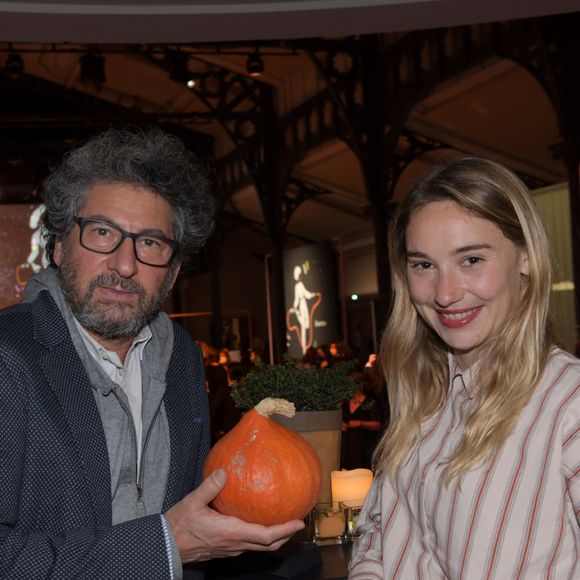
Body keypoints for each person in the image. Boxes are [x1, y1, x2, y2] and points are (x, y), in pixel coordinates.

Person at [0, 126, 303, 580]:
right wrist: (163, 547)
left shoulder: (181, 357)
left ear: (173, 271)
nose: (125, 265)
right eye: (103, 233)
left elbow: (192, 519)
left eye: (150, 243)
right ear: (59, 246)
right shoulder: (9, 358)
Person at [349, 158, 580, 578]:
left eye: (471, 260)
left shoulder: (568, 404)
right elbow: (378, 535)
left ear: (525, 257)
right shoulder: (423, 396)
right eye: (423, 265)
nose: (445, 293)